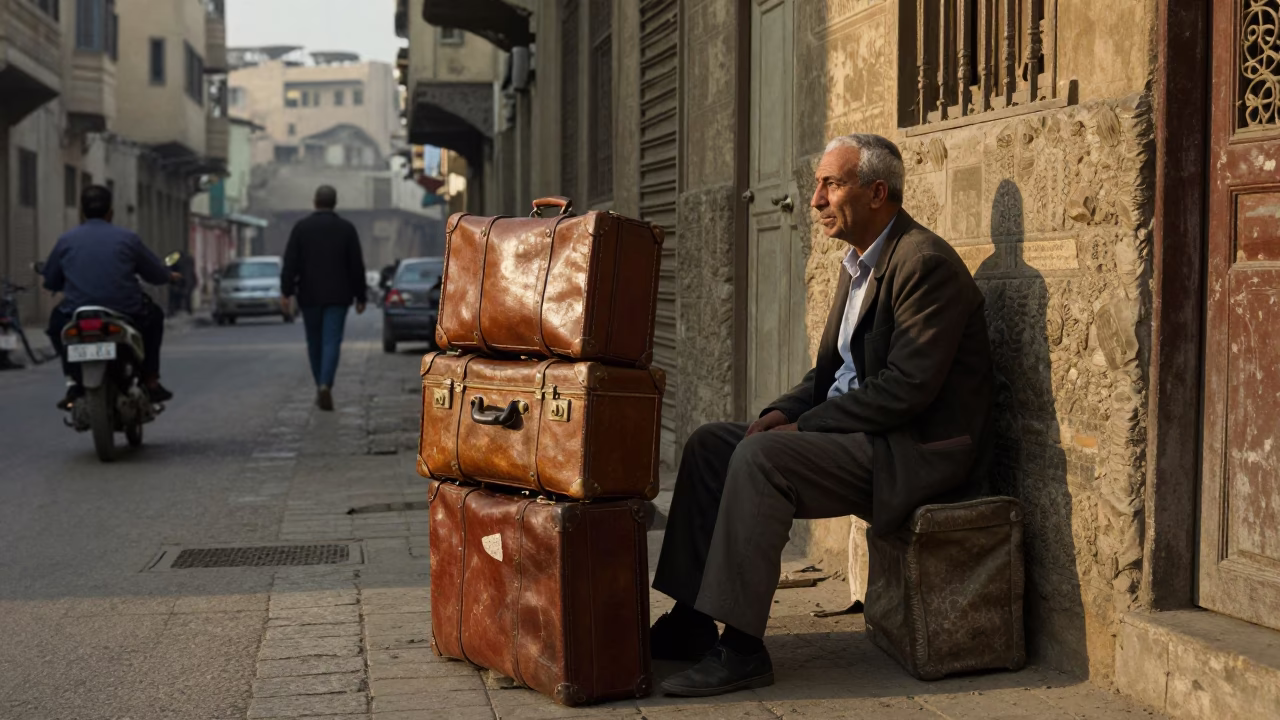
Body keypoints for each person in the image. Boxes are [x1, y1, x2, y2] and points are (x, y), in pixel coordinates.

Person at [650, 134, 994, 697]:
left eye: (831, 184)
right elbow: (832, 373)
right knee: (713, 444)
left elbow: (906, 390)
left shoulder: (924, 264)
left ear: (878, 192)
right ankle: (690, 621)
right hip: (860, 436)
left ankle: (742, 648)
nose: (815, 201)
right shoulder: (858, 265)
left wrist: (801, 427)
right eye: (818, 185)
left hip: (913, 450)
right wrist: (781, 411)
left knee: (763, 458)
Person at [42, 185, 179, 409]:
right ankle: (151, 380)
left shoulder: (66, 240)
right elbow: (154, 273)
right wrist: (169, 276)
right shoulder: (128, 239)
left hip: (77, 312)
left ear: (82, 212)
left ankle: (73, 380)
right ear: (110, 212)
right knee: (154, 317)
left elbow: (50, 281)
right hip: (126, 310)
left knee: (56, 327)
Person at [280, 185, 368, 412]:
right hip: (339, 296)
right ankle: (325, 384)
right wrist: (361, 295)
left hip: (309, 295)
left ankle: (320, 383)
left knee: (314, 342)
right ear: (335, 202)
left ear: (315, 202)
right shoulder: (347, 229)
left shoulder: (301, 228)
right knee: (332, 341)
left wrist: (286, 291)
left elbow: (290, 263)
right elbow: (356, 266)